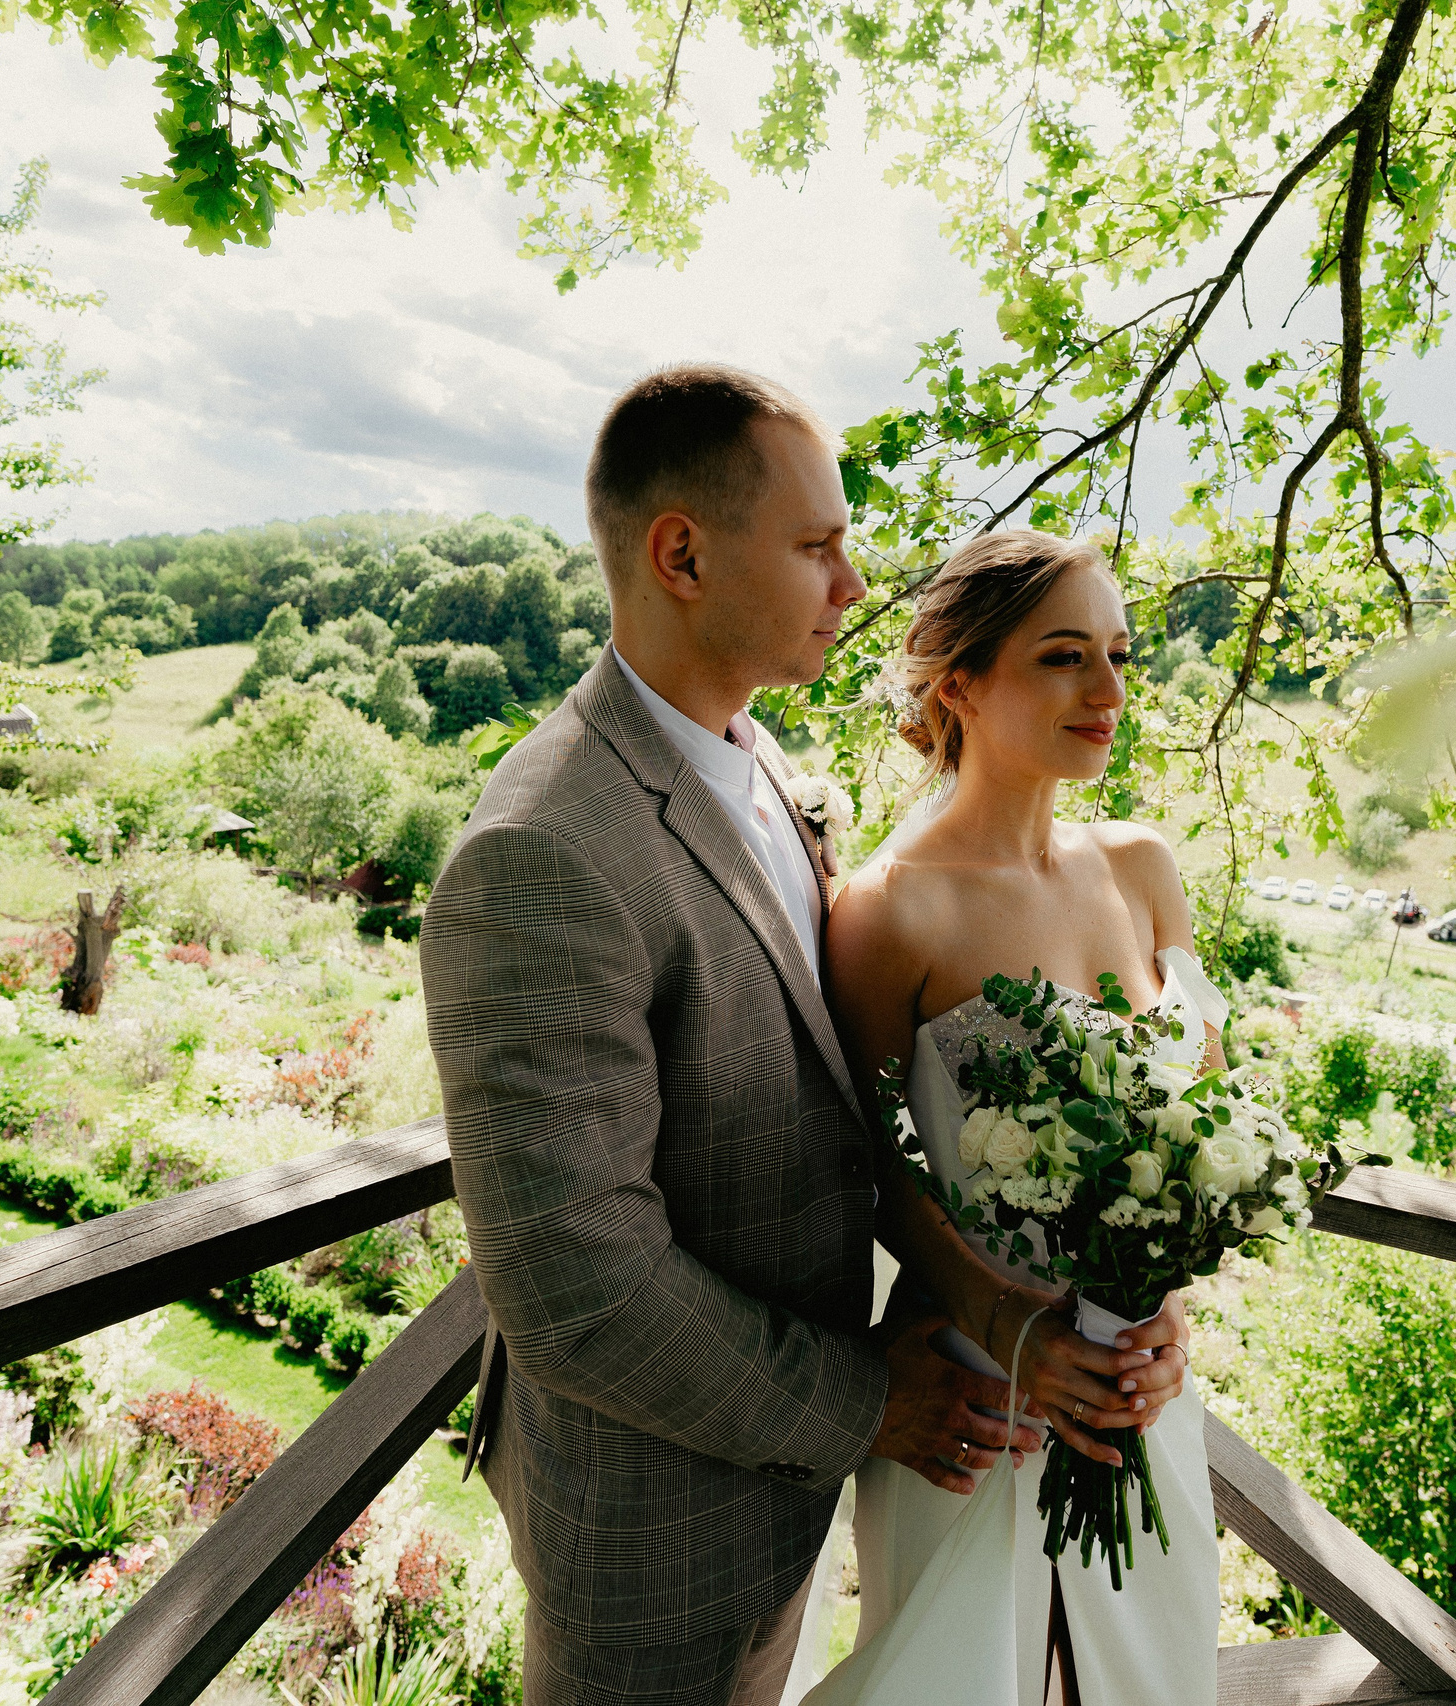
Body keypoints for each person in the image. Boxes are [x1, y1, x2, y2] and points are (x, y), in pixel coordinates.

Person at [421, 366, 1187, 1706]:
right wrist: (868, 1402)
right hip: (658, 1515)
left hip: (815, 1473)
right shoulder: (541, 853)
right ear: (682, 553)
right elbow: (575, 1285)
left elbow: (858, 1126)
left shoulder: (764, 770)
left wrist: (1025, 1313)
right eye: (820, 545)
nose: (853, 583)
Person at [825, 530, 1224, 1706]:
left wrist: (1164, 1309)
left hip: (1143, 1391)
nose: (1107, 692)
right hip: (979, 1400)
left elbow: (1197, 1143)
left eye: (1116, 654)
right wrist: (1016, 1332)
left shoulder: (1143, 866)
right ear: (961, 680)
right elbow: (873, 1173)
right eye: (1062, 657)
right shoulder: (892, 910)